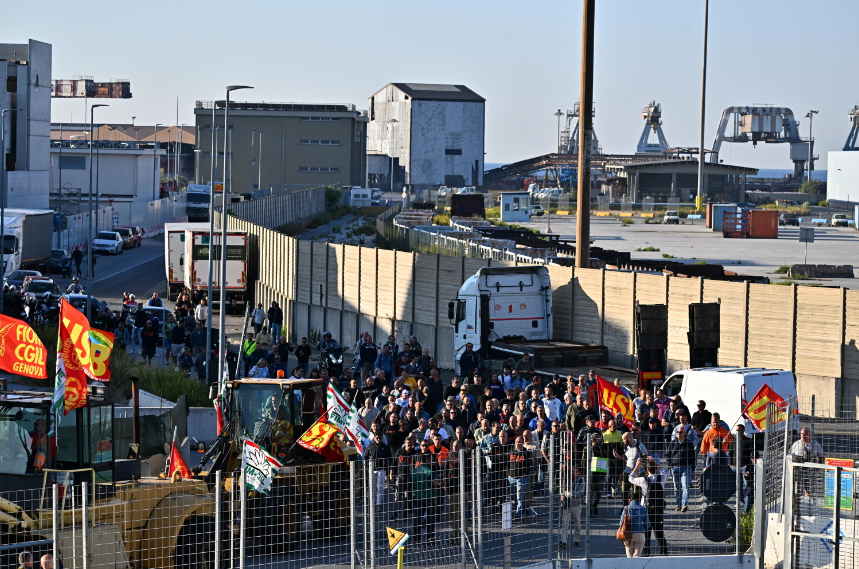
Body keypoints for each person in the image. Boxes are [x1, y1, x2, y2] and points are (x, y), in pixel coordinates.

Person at [629, 457, 668, 556]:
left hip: (646, 509)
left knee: (646, 533)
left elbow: (631, 478)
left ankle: (646, 554)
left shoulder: (643, 480)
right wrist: (655, 462)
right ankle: (664, 554)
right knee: (659, 533)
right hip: (659, 509)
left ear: (647, 470)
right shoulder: (661, 478)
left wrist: (637, 466)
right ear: (656, 468)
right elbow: (666, 471)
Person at [665, 426, 695, 512]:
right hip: (675, 468)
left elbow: (693, 457)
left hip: (686, 467)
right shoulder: (673, 443)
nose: (679, 434)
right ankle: (678, 504)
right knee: (676, 487)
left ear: (685, 433)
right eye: (677, 432)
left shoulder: (689, 443)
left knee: (685, 486)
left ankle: (684, 504)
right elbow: (668, 454)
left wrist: (693, 470)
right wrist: (670, 464)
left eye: (681, 432)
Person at [507, 435, 533, 518]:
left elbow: (530, 465)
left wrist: (525, 473)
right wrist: (508, 474)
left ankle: (518, 515)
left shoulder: (526, 453)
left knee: (519, 497)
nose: (517, 443)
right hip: (511, 478)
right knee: (512, 497)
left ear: (523, 443)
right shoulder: (511, 451)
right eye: (516, 442)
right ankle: (513, 512)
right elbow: (507, 464)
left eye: (519, 442)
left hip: (521, 478)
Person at [620, 490, 651, 558]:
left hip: (628, 534)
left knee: (629, 556)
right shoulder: (643, 509)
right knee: (637, 556)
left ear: (629, 500)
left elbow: (621, 523)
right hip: (640, 534)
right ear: (639, 500)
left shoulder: (626, 508)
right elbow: (648, 524)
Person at [559, 467, 585, 548]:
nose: (574, 473)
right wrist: (562, 496)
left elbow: (579, 494)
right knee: (565, 523)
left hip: (576, 505)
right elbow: (561, 490)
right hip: (567, 504)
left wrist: (569, 491)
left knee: (577, 524)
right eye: (573, 471)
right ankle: (564, 541)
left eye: (576, 471)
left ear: (579, 472)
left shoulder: (581, 481)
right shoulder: (566, 480)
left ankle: (576, 540)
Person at [364, 432, 392, 506]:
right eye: (377, 438)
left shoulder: (385, 447)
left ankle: (378, 504)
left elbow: (389, 459)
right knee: (372, 487)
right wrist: (367, 467)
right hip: (372, 469)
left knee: (380, 488)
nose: (378, 439)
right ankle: (373, 503)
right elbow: (365, 457)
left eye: (380, 438)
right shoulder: (369, 447)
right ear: (374, 438)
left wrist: (387, 468)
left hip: (381, 470)